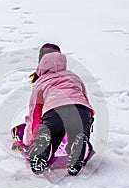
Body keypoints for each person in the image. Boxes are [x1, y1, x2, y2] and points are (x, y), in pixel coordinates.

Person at [23, 43, 95, 175]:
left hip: (54, 112)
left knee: (50, 135)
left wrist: (30, 139)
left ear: (41, 62)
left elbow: (35, 114)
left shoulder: (41, 82)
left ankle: (44, 146)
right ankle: (80, 145)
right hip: (81, 111)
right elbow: (84, 100)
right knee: (79, 135)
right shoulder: (73, 76)